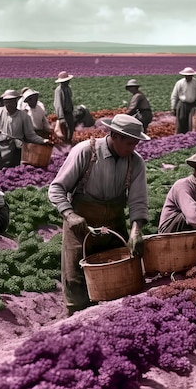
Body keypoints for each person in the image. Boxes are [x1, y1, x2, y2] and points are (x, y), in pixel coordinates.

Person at [48, 114, 150, 314]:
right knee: (76, 279)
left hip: (114, 225)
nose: (133, 148)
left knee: (118, 281)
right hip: (81, 226)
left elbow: (138, 201)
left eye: (135, 144)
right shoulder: (86, 152)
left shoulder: (135, 162)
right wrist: (70, 215)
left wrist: (136, 229)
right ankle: (74, 318)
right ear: (114, 135)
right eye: (129, 143)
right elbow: (56, 189)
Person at [0, 89, 50, 175]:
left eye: (11, 101)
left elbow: (30, 135)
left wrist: (43, 140)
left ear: (16, 101)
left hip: (15, 149)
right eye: (6, 102)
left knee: (11, 173)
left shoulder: (24, 116)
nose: (8, 104)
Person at [54, 71, 95, 143]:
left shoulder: (67, 88)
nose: (68, 82)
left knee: (71, 127)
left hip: (69, 111)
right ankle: (65, 141)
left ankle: (69, 141)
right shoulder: (59, 90)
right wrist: (61, 117)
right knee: (65, 128)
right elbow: (58, 104)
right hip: (64, 112)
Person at [170, 67, 196, 134]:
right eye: (187, 76)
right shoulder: (179, 83)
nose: (188, 77)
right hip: (183, 104)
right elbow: (174, 96)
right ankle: (180, 136)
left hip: (193, 105)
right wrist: (173, 107)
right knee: (181, 121)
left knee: (191, 122)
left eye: (190, 76)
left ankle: (190, 136)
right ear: (184, 75)